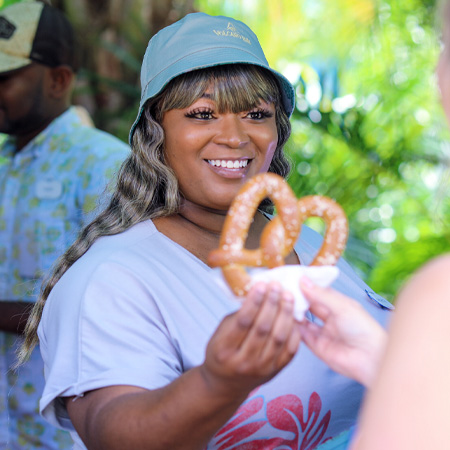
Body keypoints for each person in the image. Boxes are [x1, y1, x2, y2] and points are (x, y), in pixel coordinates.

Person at [19, 12, 392, 450]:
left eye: (256, 113)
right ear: (154, 136)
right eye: (202, 114)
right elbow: (111, 432)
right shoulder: (110, 279)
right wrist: (217, 382)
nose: (234, 137)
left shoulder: (307, 243)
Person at [0, 2, 129, 449]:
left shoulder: (104, 164)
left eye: (5, 78)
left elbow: (121, 306)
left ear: (59, 79)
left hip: (67, 434)